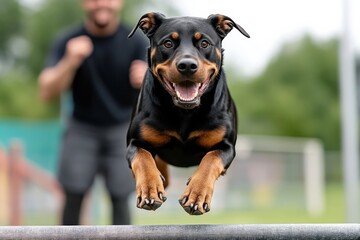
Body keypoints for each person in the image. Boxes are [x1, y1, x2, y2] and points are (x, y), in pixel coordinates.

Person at [38, 0, 148, 225]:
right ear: (84, 3)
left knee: (121, 196)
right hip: (82, 127)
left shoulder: (137, 40)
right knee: (73, 193)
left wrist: (149, 79)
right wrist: (70, 61)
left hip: (122, 127)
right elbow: (46, 92)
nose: (101, 4)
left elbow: (164, 95)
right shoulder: (68, 40)